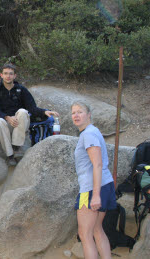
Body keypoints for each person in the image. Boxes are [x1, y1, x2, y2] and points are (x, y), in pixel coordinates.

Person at [72, 101, 116, 259]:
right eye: (73, 113)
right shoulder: (92, 131)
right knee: (97, 229)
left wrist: (95, 195)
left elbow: (97, 164)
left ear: (89, 114)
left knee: (85, 234)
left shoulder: (88, 134)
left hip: (92, 189)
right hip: (104, 184)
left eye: (80, 112)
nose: (76, 115)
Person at [0, 64, 59, 166]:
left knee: (22, 111)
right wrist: (7, 118)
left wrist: (44, 111)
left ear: (15, 76)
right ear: (1, 75)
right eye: (5, 73)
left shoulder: (21, 90)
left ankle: (17, 147)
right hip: (6, 124)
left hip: (20, 124)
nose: (8, 76)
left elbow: (32, 108)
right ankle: (10, 156)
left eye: (11, 74)